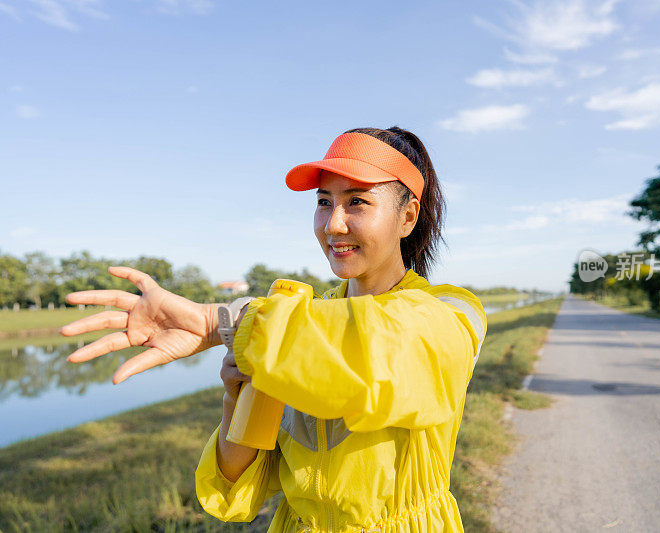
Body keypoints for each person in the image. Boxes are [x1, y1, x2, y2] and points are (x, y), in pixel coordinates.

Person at [60, 126, 487, 532]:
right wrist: (236, 399)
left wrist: (219, 321)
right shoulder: (290, 332)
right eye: (324, 201)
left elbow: (375, 344)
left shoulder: (450, 313)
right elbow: (238, 490)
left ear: (408, 216)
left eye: (357, 202)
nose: (334, 224)